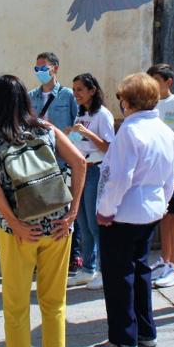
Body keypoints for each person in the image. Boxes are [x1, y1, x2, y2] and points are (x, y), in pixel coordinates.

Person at [0, 74, 86, 347]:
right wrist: (72, 213)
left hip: (18, 231)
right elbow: (80, 162)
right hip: (59, 225)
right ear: (25, 99)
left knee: (16, 307)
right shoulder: (46, 128)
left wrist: (14, 222)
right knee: (54, 304)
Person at [92, 73, 174, 347]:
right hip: (149, 211)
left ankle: (123, 338)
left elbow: (120, 178)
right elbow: (169, 178)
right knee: (140, 271)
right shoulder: (164, 131)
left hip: (123, 213)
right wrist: (162, 204)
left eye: (122, 99)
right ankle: (145, 331)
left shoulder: (130, 130)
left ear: (128, 101)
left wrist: (105, 210)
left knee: (118, 277)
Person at [26, 52, 83, 274]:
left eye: (44, 68)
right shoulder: (31, 96)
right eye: (37, 69)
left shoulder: (68, 96)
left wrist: (72, 141)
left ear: (55, 68)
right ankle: (40, 255)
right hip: (39, 162)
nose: (40, 72)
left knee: (68, 208)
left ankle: (73, 255)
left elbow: (77, 124)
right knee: (40, 208)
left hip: (62, 161)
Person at [64, 72, 114, 291]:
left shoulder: (103, 115)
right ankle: (87, 269)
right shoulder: (81, 113)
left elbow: (108, 147)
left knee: (95, 224)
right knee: (82, 222)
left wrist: (86, 133)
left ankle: (105, 270)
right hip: (80, 170)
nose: (76, 94)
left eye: (80, 90)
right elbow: (79, 142)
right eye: (74, 90)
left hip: (95, 170)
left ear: (92, 90)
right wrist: (70, 135)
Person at [145, 63, 174, 288]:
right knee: (163, 215)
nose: (152, 86)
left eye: (157, 81)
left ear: (168, 82)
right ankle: (165, 259)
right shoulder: (149, 106)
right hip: (156, 172)